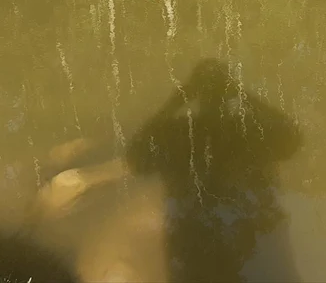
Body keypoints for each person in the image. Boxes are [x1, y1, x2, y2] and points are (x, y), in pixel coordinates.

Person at [127, 58, 303, 283]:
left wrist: (178, 99)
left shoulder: (179, 133)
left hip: (194, 244)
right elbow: (293, 136)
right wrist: (243, 94)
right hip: (253, 245)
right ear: (229, 92)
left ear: (194, 93)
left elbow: (135, 155)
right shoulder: (248, 132)